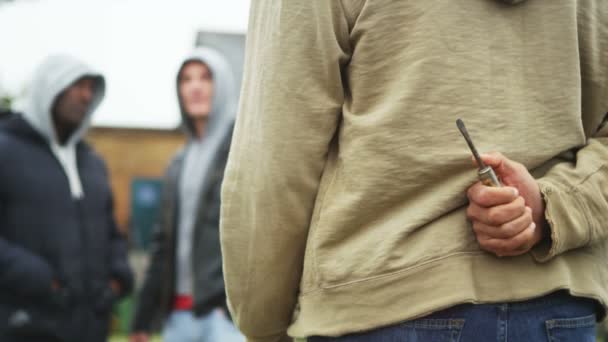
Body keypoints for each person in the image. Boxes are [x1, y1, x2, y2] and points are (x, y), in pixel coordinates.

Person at [220, 0, 608, 341]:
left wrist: (263, 325)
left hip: (380, 304)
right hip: (557, 311)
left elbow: (275, 159)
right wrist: (553, 207)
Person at [0, 54, 133, 342]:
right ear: (50, 87)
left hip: (90, 326)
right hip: (26, 324)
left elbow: (112, 230)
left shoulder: (93, 162)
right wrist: (42, 279)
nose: (86, 96)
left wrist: (117, 277)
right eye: (78, 86)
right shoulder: (5, 149)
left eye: (91, 89)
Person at [130, 47, 243, 342]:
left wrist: (234, 306)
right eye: (186, 79)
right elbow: (163, 241)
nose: (195, 86)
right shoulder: (177, 163)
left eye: (206, 78)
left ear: (223, 85)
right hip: (178, 318)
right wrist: (142, 319)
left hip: (225, 318)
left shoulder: (242, 150)